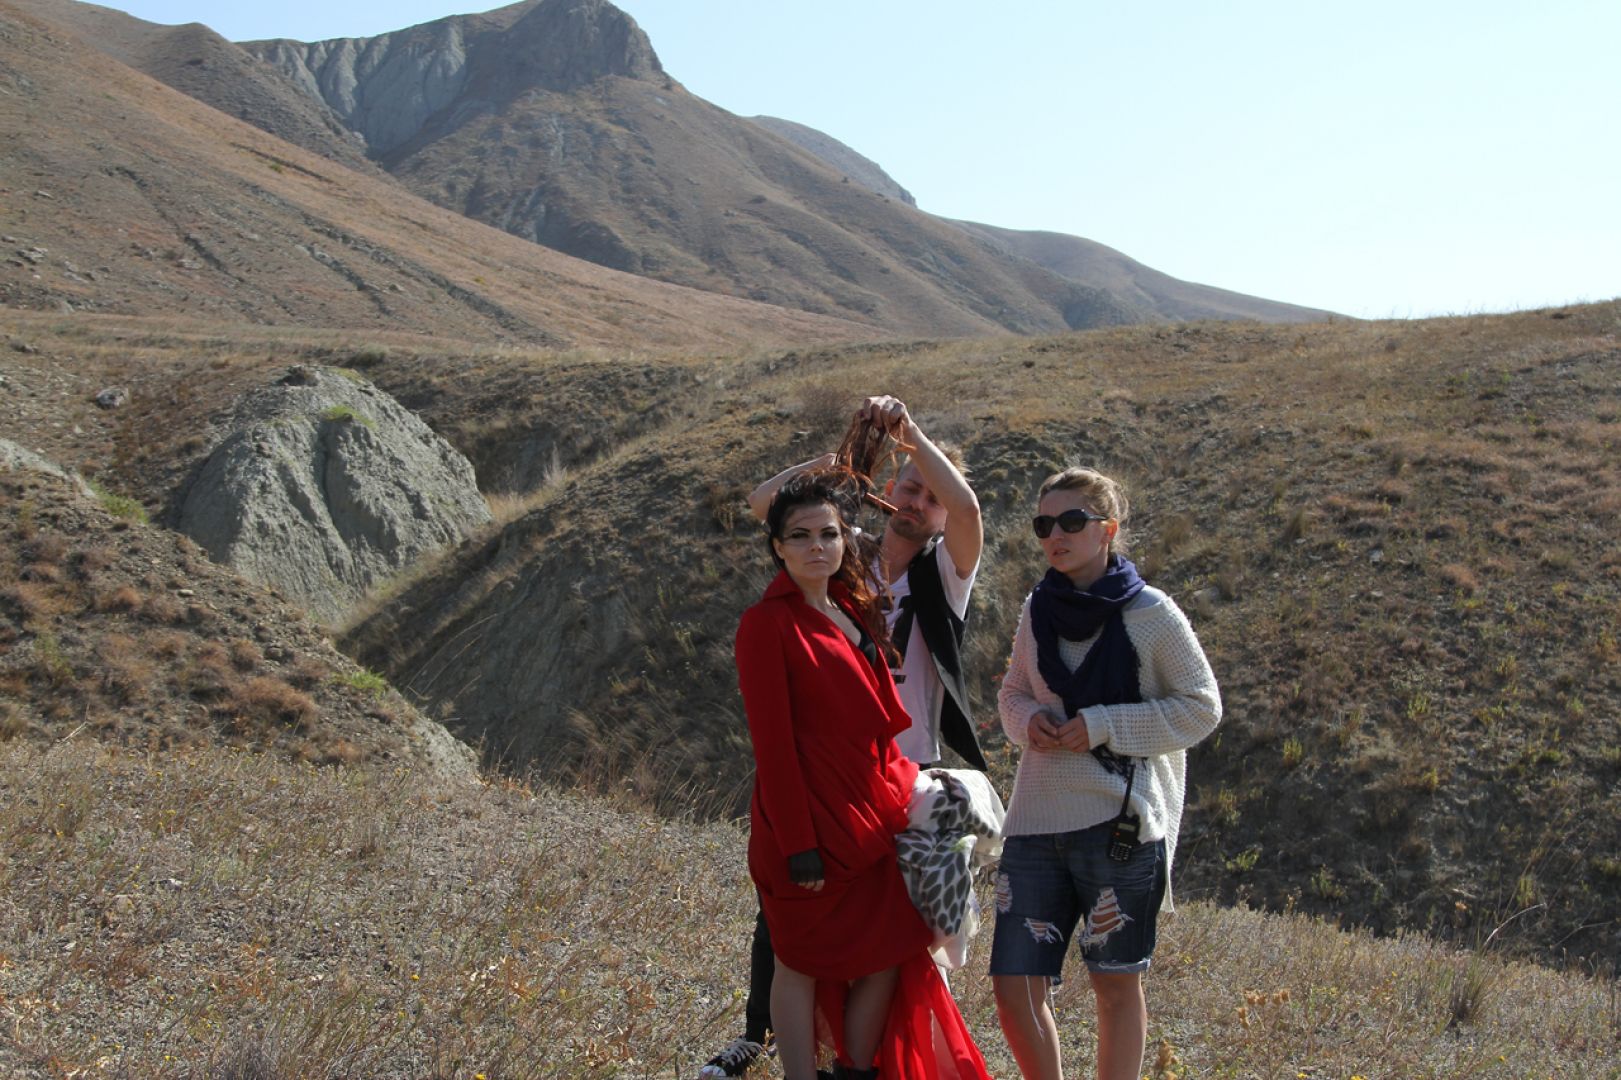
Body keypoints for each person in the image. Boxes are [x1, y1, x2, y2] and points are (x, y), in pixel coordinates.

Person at [703, 397, 988, 1078]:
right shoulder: (843, 553)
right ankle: (761, 1037)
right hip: (825, 778)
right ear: (886, 489)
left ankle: (872, 1062)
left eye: (930, 495)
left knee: (897, 941)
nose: (918, 502)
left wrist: (912, 437)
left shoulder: (944, 574)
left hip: (902, 773)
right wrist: (843, 460)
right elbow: (766, 505)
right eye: (908, 487)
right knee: (790, 934)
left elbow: (968, 510)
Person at [990, 467, 1221, 1080]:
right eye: (1044, 524)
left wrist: (1104, 724)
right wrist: (1029, 720)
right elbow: (1012, 694)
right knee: (1014, 987)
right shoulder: (1037, 608)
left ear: (1108, 529)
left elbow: (1202, 707)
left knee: (1114, 986)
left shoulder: (1151, 612)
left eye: (1072, 521)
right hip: (1036, 821)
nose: (1055, 536)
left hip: (1119, 826)